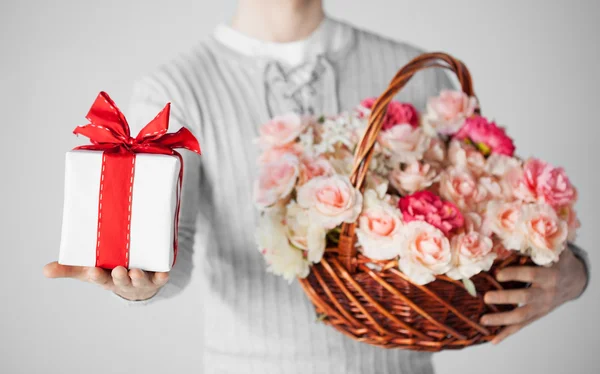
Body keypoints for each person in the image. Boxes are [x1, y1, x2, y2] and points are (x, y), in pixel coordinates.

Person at [44, 0, 590, 373]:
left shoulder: (416, 72)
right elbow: (172, 255)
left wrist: (575, 272)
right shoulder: (174, 90)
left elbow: (489, 220)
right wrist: (137, 285)